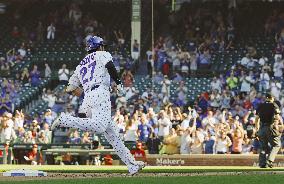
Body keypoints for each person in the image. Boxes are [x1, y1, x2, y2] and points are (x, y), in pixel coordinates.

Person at [51, 36, 144, 175]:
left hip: (89, 96)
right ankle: (65, 120)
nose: (103, 47)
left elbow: (70, 88)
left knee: (113, 135)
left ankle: (132, 165)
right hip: (100, 92)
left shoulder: (81, 64)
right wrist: (118, 83)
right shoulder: (102, 54)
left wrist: (88, 93)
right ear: (99, 46)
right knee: (100, 127)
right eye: (102, 45)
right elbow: (110, 66)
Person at [255, 93, 283, 168]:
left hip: (261, 128)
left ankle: (262, 163)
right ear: (272, 98)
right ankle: (269, 161)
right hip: (270, 128)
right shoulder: (274, 105)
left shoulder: (260, 105)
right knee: (276, 144)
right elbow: (277, 116)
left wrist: (256, 129)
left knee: (263, 147)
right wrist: (280, 125)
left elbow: (257, 118)